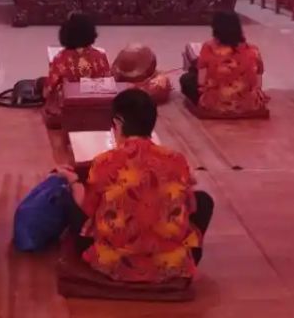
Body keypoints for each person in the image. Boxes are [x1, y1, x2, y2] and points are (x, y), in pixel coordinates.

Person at [55, 89, 213, 283]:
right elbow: (190, 206)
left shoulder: (104, 162)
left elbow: (86, 210)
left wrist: (72, 181)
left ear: (118, 123)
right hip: (169, 263)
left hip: (113, 261)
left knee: (69, 199)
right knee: (204, 201)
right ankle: (175, 261)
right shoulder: (176, 159)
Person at [179, 11, 267, 115]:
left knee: (186, 79)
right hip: (250, 105)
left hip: (215, 105)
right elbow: (258, 84)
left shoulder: (208, 48)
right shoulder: (254, 50)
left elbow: (201, 82)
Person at [43, 13, 112, 123]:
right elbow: (108, 83)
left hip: (67, 111)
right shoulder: (100, 56)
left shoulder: (60, 58)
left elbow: (48, 90)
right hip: (97, 110)